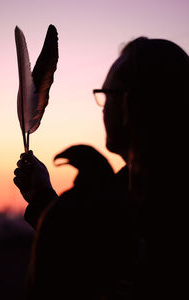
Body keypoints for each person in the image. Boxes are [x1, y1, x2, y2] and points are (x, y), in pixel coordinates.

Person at [14, 37, 189, 299]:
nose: (103, 108)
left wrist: (59, 217)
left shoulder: (116, 205)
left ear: (130, 105)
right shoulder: (135, 193)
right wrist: (42, 198)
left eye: (106, 95)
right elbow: (89, 248)